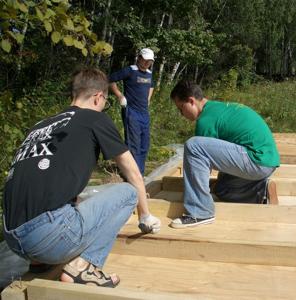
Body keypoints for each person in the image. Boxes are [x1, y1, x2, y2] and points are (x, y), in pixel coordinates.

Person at [2, 68, 161, 288]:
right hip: (46, 237)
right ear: (98, 97)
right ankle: (84, 268)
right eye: (105, 100)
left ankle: (39, 262)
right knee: (127, 193)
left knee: (72, 200)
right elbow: (132, 171)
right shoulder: (94, 118)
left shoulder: (41, 126)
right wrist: (145, 216)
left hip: (12, 239)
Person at [169, 80, 280, 228]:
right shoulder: (215, 108)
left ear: (191, 101)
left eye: (181, 108)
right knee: (222, 188)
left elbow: (200, 169)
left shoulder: (205, 121)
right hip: (266, 161)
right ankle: (261, 191)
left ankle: (200, 212)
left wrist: (190, 194)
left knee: (193, 145)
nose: (181, 114)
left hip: (256, 160)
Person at [109, 48, 155, 175]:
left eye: (149, 61)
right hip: (131, 112)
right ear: (139, 58)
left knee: (144, 144)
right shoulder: (130, 70)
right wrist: (120, 96)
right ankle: (134, 173)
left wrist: (148, 99)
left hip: (144, 113)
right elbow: (111, 80)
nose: (146, 64)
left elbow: (152, 86)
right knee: (133, 144)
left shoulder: (150, 74)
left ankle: (140, 171)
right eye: (145, 60)